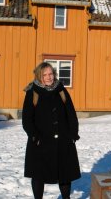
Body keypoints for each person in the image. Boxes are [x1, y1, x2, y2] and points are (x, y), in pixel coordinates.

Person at [22, 62, 81, 199]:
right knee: (38, 175)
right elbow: (27, 119)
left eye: (50, 74)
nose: (48, 77)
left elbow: (71, 114)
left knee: (65, 174)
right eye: (45, 75)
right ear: (39, 76)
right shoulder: (32, 92)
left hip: (63, 140)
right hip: (40, 141)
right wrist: (35, 137)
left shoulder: (61, 90)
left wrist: (73, 134)